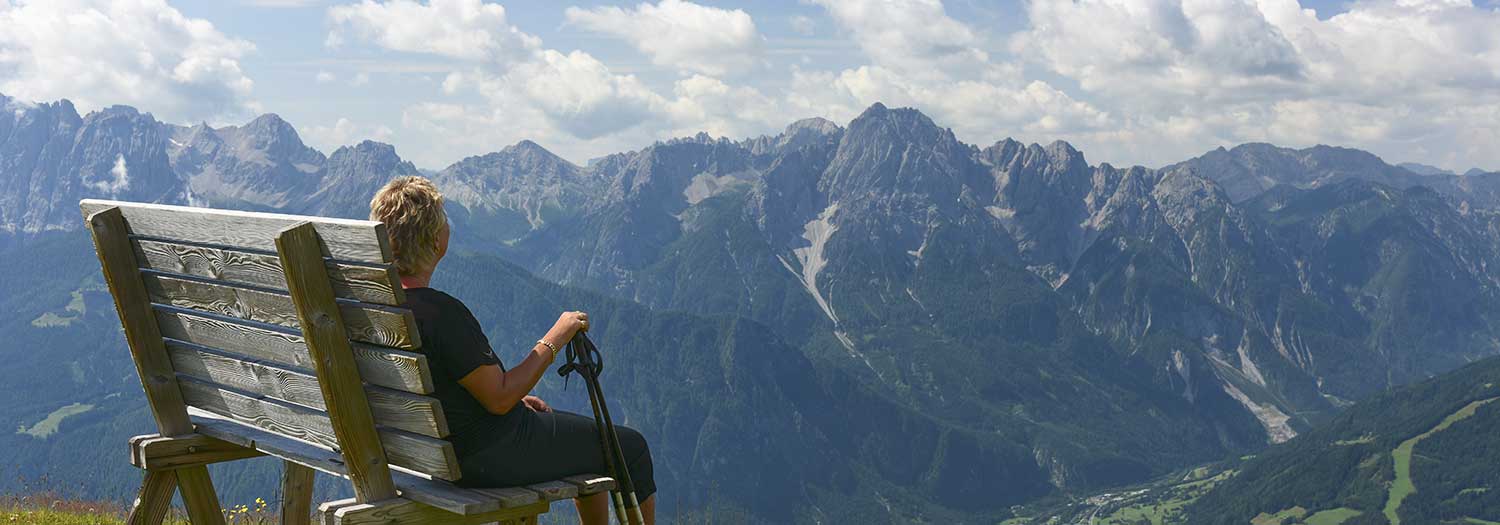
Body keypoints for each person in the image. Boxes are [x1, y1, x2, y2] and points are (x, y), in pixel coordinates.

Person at [369, 176, 656, 525]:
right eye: (444, 220)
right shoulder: (441, 313)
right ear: (435, 241)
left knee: (588, 447)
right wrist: (556, 336)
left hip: (430, 451)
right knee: (631, 449)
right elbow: (500, 398)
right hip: (486, 455)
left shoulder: (374, 307)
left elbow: (440, 386)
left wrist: (511, 403)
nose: (448, 227)